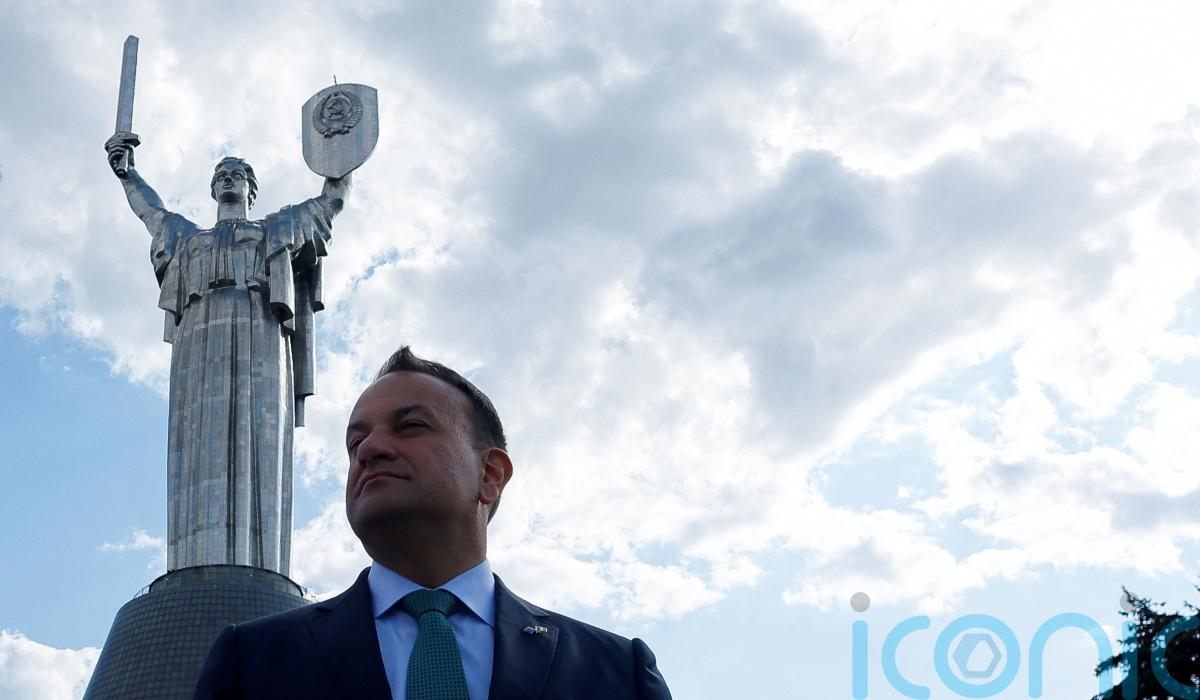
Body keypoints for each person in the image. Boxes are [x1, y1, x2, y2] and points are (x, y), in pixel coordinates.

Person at [192, 346, 673, 699]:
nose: (370, 450)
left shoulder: (616, 671)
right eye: (355, 443)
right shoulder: (252, 661)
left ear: (490, 474)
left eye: (411, 427)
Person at [105, 133, 349, 575]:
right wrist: (128, 174)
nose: (229, 179)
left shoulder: (275, 228)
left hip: (260, 325)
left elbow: (329, 203)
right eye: (221, 175)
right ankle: (193, 567)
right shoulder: (188, 239)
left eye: (238, 175)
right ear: (213, 189)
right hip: (197, 335)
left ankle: (259, 567)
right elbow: (151, 213)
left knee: (259, 434)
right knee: (198, 439)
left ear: (252, 190)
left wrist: (341, 159)